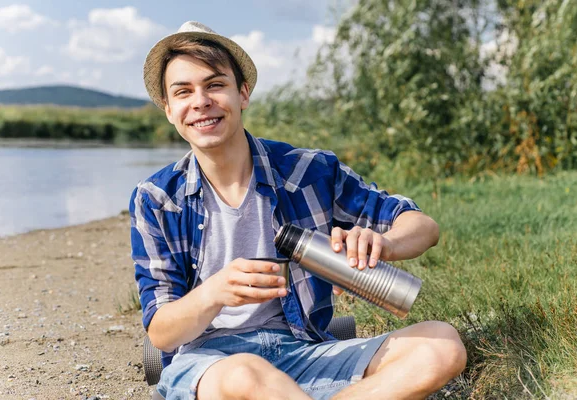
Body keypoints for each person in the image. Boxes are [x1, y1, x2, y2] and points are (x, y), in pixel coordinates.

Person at [130, 21, 467, 400]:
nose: (200, 101)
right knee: (247, 375)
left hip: (304, 351)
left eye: (214, 85)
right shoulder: (157, 198)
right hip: (210, 366)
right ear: (169, 109)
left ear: (242, 93)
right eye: (183, 92)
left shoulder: (309, 171)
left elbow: (422, 226)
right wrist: (215, 292)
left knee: (442, 345)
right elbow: (160, 332)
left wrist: (383, 244)